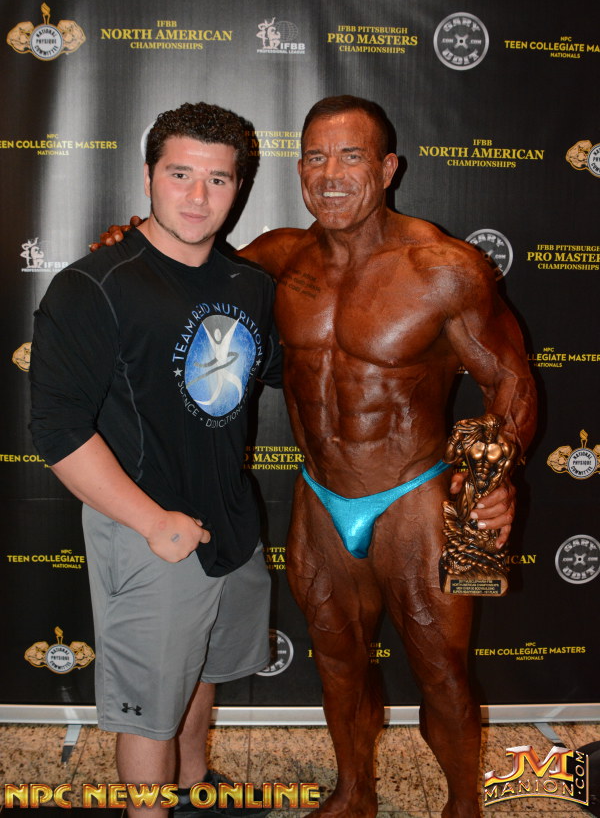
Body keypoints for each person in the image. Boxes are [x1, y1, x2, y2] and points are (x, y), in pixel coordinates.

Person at [96, 95, 537, 818]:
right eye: (315, 157)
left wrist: (499, 472)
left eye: (351, 157)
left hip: (414, 499)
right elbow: (183, 269)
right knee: (337, 666)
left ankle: (464, 807)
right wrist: (131, 243)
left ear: (388, 169)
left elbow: (510, 380)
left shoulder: (444, 268)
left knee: (442, 674)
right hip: (321, 500)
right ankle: (355, 792)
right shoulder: (276, 259)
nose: (330, 175)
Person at [30, 102, 282, 818]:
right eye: (180, 174)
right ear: (147, 177)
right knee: (147, 712)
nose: (198, 196)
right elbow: (57, 431)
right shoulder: (93, 286)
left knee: (199, 674)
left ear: (238, 187)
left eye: (218, 179)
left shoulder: (250, 286)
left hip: (231, 525)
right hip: (147, 530)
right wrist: (152, 522)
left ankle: (195, 790)